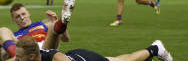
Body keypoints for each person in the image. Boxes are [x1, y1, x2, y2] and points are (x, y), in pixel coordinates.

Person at [0, 0, 75, 61]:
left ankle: (61, 23)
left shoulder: (42, 24)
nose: (22, 18)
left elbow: (65, 39)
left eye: (23, 14)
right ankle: (19, 57)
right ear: (14, 20)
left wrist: (55, 21)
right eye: (17, 16)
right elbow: (0, 58)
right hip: (24, 56)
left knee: (52, 24)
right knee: (2, 30)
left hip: (45, 52)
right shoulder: (14, 37)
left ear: (28, 13)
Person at [14, 36, 173, 61]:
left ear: (32, 56)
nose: (17, 59)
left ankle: (155, 48)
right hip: (76, 54)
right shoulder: (32, 56)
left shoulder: (57, 59)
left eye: (20, 57)